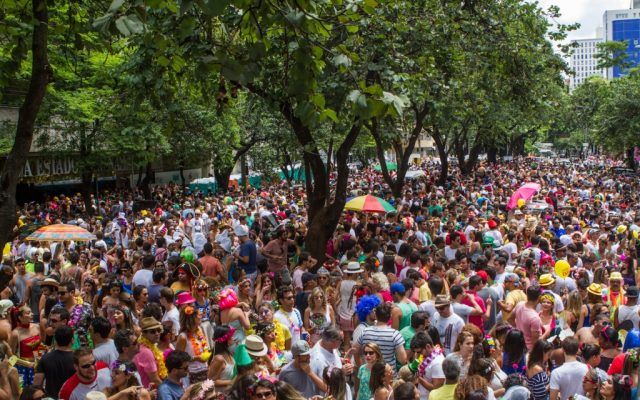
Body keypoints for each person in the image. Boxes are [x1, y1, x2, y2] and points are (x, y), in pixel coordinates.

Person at [357, 302, 406, 368]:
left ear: (376, 315)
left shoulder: (365, 332)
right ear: (390, 316)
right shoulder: (395, 334)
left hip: (369, 374)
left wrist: (361, 368)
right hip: (388, 375)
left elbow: (355, 350)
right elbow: (403, 359)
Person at [34, 325, 76, 398]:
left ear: (55, 340)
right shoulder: (78, 359)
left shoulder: (45, 358)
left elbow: (36, 385)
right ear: (72, 340)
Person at [310, 326, 353, 399]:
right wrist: (341, 373)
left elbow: (331, 358)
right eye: (341, 340)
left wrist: (340, 359)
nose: (342, 342)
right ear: (332, 341)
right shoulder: (318, 359)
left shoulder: (329, 346)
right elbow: (325, 386)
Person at [175, 304, 210, 383]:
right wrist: (195, 358)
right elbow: (178, 359)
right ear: (192, 319)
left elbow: (204, 348)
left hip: (205, 371)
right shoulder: (183, 337)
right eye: (198, 314)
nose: (201, 315)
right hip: (192, 374)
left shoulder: (199, 330)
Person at [9, 304, 41, 387]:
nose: (32, 314)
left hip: (38, 365)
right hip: (23, 369)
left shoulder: (37, 327)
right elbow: (10, 357)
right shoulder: (15, 334)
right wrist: (27, 364)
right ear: (20, 317)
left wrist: (40, 358)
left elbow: (40, 346)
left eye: (31, 312)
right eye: (28, 313)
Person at [133, 317, 166, 388]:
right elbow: (155, 379)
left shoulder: (147, 346)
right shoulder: (146, 352)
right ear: (144, 334)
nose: (157, 333)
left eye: (158, 330)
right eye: (152, 331)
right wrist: (168, 391)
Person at [411, 331, 445, 399]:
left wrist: (419, 378)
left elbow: (436, 389)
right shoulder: (426, 356)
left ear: (428, 346)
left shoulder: (437, 363)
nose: (419, 354)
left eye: (419, 352)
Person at [510, 285, 542, 350]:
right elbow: (535, 341)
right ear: (539, 297)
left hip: (518, 344)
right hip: (528, 349)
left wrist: (518, 328)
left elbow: (510, 319)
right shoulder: (535, 317)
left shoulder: (519, 304)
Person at [207, 325, 237, 391]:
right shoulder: (219, 359)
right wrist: (234, 381)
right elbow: (210, 381)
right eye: (231, 336)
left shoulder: (229, 353)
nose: (233, 338)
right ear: (225, 339)